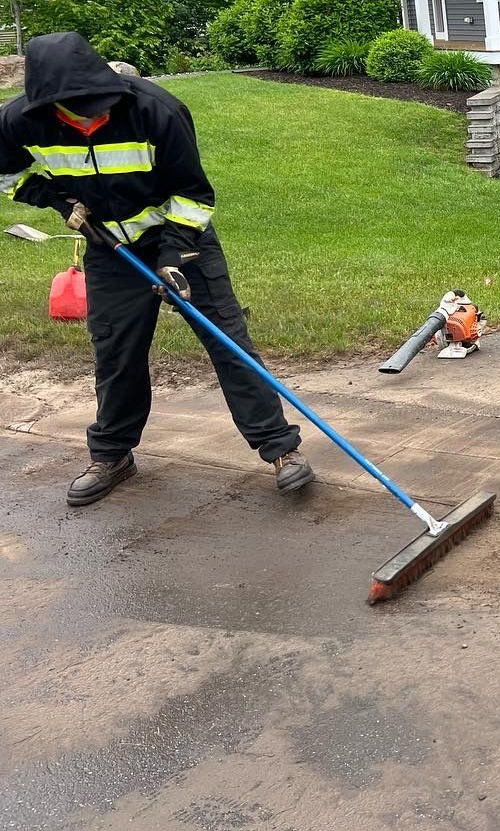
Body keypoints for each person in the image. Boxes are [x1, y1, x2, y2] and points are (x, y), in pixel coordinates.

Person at [0, 32, 314, 504]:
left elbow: (194, 194)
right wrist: (55, 200)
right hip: (108, 249)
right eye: (88, 105)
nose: (100, 110)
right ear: (57, 104)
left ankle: (280, 450)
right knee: (116, 351)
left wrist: (172, 256)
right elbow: (9, 173)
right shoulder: (18, 122)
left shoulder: (155, 110)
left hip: (181, 241)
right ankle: (112, 455)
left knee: (227, 340)